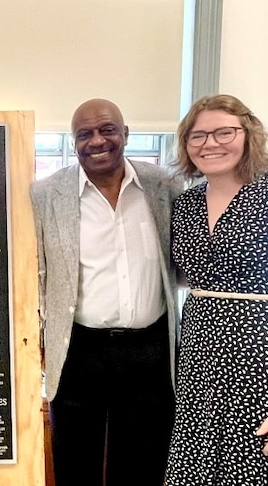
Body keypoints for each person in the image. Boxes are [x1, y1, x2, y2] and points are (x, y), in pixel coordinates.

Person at [30, 98, 183, 486]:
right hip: (79, 349)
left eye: (107, 129)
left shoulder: (165, 186)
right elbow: (36, 270)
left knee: (143, 461)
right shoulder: (46, 194)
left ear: (126, 134)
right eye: (84, 134)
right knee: (74, 460)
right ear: (74, 140)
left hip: (150, 349)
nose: (96, 141)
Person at [165, 94, 268, 485]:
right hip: (198, 358)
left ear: (248, 134)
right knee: (196, 464)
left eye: (224, 132)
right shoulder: (186, 204)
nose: (210, 143)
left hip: (257, 360)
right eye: (198, 136)